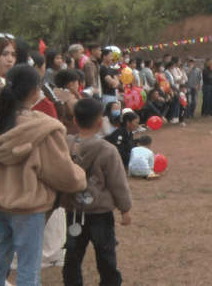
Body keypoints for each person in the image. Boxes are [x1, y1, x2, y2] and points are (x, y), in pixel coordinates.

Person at [0, 65, 87, 285]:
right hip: (28, 209)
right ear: (35, 90)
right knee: (28, 270)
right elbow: (63, 174)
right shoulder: (43, 128)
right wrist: (80, 176)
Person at [62, 98, 132, 286]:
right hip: (101, 212)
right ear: (100, 123)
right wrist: (125, 209)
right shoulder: (107, 149)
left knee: (72, 255)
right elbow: (117, 181)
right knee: (106, 253)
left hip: (74, 211)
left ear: (75, 121)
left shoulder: (65, 146)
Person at [54, 69, 82, 135]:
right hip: (73, 137)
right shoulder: (72, 102)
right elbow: (87, 116)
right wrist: (78, 95)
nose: (78, 85)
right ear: (71, 85)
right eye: (77, 83)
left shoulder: (52, 95)